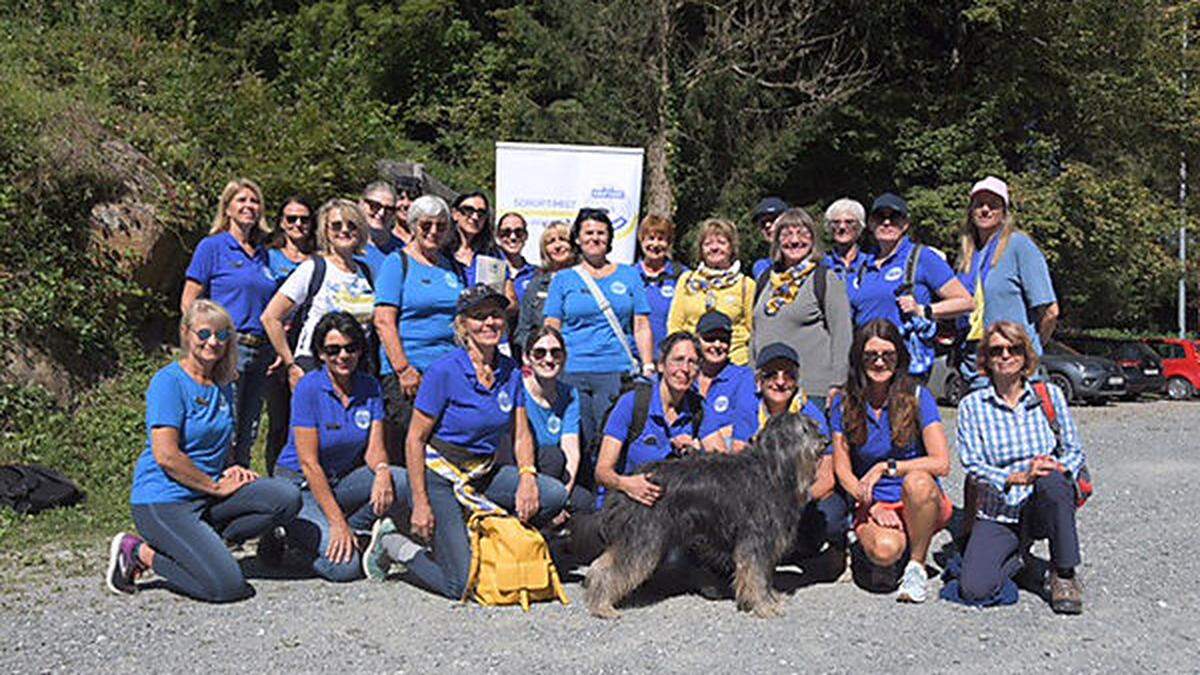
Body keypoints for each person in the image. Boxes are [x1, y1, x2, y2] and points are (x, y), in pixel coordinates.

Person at [379, 285, 569, 598]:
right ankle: (395, 545)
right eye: (479, 317)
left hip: (483, 473)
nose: (489, 323)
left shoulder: (509, 371)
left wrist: (527, 476)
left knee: (552, 494)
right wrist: (421, 502)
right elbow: (415, 439)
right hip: (441, 477)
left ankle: (489, 543)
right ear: (463, 324)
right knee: (461, 584)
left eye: (495, 315)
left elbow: (520, 433)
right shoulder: (444, 371)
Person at [105, 300, 301, 602]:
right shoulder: (169, 382)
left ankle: (205, 544)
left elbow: (220, 440)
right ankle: (139, 553)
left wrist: (232, 466)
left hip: (208, 495)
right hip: (164, 500)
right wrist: (215, 486)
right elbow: (166, 456)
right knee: (228, 588)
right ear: (186, 333)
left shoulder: (224, 384)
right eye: (204, 333)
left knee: (285, 497)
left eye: (222, 335)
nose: (213, 341)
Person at [950, 321, 1085, 614]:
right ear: (985, 358)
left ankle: (1064, 572)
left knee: (1053, 480)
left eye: (1014, 349)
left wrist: (1056, 466)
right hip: (998, 509)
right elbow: (972, 464)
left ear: (1026, 355)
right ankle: (1020, 560)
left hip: (1041, 503)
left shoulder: (1049, 396)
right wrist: (1017, 477)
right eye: (997, 350)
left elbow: (1074, 451)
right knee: (975, 589)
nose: (1006, 355)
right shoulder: (972, 406)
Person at [268, 312, 405, 582]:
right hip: (300, 486)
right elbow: (309, 463)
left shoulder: (370, 386)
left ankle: (358, 531)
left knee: (401, 480)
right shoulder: (308, 388)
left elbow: (374, 449)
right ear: (320, 354)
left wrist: (381, 470)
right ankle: (288, 540)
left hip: (338, 481)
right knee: (346, 568)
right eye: (333, 350)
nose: (343, 356)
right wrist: (336, 522)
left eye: (350, 348)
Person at [830, 319, 952, 603]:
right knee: (884, 551)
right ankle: (879, 546)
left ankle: (916, 565)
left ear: (899, 358)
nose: (879, 362)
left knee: (918, 481)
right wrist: (870, 505)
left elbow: (941, 462)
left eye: (888, 355)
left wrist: (887, 467)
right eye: (871, 356)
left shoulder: (918, 396)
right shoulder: (844, 402)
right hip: (875, 501)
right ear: (859, 359)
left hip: (919, 500)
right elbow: (842, 468)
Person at [181, 178, 278, 468]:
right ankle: (212, 485)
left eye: (255, 201)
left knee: (248, 429)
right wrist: (201, 341)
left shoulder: (263, 254)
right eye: (242, 200)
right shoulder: (212, 247)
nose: (249, 206)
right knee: (224, 425)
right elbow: (189, 300)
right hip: (226, 347)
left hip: (260, 351)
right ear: (228, 208)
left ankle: (241, 488)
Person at [543, 208, 654, 456]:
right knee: (578, 440)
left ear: (610, 239)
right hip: (572, 370)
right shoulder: (563, 279)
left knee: (611, 439)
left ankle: (609, 491)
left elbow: (641, 325)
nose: (595, 238)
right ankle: (582, 493)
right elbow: (552, 326)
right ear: (578, 239)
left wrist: (647, 365)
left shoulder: (629, 275)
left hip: (616, 370)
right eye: (588, 232)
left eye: (601, 233)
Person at [372, 195, 464, 457]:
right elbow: (384, 320)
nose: (433, 232)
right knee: (412, 448)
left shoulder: (451, 268)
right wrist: (403, 369)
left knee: (442, 449)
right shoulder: (396, 263)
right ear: (412, 225)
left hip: (447, 371)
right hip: (410, 372)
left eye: (440, 226)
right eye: (426, 225)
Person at [848, 193, 973, 380]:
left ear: (905, 224)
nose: (887, 223)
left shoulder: (921, 257)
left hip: (906, 366)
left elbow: (966, 302)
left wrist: (924, 310)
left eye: (894, 217)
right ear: (871, 224)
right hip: (867, 365)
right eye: (879, 217)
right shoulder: (863, 265)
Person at [754, 342, 849, 579]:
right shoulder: (749, 407)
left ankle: (834, 551)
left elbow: (827, 478)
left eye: (789, 375)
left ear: (797, 380)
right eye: (772, 374)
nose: (780, 381)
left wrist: (794, 499)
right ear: (759, 379)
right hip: (762, 498)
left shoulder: (810, 414)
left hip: (803, 498)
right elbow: (737, 456)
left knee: (833, 515)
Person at [955, 176, 1059, 390]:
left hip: (1014, 374)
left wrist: (1031, 350)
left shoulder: (1020, 246)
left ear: (1004, 212)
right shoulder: (968, 255)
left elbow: (1050, 312)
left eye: (993, 205)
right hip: (975, 371)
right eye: (979, 204)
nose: (985, 210)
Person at [261, 198, 376, 388]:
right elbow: (270, 317)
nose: (344, 230)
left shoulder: (366, 272)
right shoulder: (313, 268)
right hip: (316, 366)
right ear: (326, 231)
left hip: (355, 367)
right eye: (336, 225)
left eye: (352, 225)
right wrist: (291, 365)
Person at [751, 208, 853, 410]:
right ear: (777, 240)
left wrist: (838, 383)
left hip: (811, 389)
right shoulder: (766, 280)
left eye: (802, 234)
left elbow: (842, 334)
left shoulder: (824, 279)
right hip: (769, 388)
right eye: (787, 234)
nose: (795, 241)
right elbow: (755, 332)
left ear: (813, 240)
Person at [594, 332, 705, 508]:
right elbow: (602, 472)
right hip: (624, 504)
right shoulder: (633, 403)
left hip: (669, 508)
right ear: (661, 365)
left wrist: (698, 450)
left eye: (692, 362)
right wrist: (627, 484)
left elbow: (720, 457)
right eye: (678, 359)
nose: (685, 368)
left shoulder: (697, 408)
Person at [512, 326, 594, 518]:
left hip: (556, 475)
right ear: (527, 358)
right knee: (552, 456)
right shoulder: (517, 390)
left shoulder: (569, 394)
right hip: (523, 470)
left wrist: (561, 498)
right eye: (540, 353)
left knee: (584, 501)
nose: (548, 360)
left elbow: (571, 450)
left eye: (555, 353)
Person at [263, 196, 315, 475]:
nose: (298, 225)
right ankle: (275, 476)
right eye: (291, 218)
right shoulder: (269, 257)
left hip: (306, 348)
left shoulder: (318, 261)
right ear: (281, 222)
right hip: (276, 346)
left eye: (304, 219)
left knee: (303, 419)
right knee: (279, 418)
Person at [667, 219, 755, 366]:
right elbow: (675, 325)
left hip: (734, 362)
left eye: (721, 242)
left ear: (732, 247)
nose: (714, 248)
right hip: (693, 362)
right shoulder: (687, 280)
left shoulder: (746, 285)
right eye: (708, 244)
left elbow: (752, 331)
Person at [693, 311, 757, 454]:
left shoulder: (742, 377)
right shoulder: (688, 376)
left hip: (726, 455)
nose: (717, 345)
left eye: (723, 340)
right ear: (697, 339)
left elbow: (744, 422)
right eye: (710, 338)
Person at [513, 221, 576, 356]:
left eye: (563, 239)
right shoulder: (536, 284)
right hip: (545, 361)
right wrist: (536, 351)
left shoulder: (587, 280)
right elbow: (522, 331)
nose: (557, 245)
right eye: (551, 241)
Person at [446, 192, 518, 306]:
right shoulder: (441, 252)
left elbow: (512, 301)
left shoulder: (493, 254)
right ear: (455, 214)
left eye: (481, 213)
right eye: (468, 210)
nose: (475, 217)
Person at [636, 214, 687, 351]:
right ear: (641, 240)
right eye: (650, 238)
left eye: (661, 239)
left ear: (669, 242)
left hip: (670, 355)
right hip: (634, 356)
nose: (655, 244)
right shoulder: (629, 275)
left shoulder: (682, 275)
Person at [822, 198, 872, 280]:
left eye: (849, 222)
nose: (842, 227)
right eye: (836, 222)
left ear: (860, 226)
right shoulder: (822, 264)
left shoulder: (870, 263)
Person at [495, 212, 539, 304]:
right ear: (498, 236)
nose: (513, 237)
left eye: (518, 232)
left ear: (526, 236)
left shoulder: (536, 274)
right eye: (506, 232)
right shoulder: (489, 269)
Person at [358, 181, 400, 277]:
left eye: (389, 209)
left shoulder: (404, 252)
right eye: (374, 206)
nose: (381, 213)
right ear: (361, 203)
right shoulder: (346, 245)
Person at [750, 196, 789, 279]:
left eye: (773, 219)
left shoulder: (817, 260)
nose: (767, 226)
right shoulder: (762, 267)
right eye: (762, 223)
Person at [390, 175, 424, 247]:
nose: (405, 204)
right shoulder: (385, 235)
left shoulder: (424, 239)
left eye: (411, 199)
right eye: (401, 198)